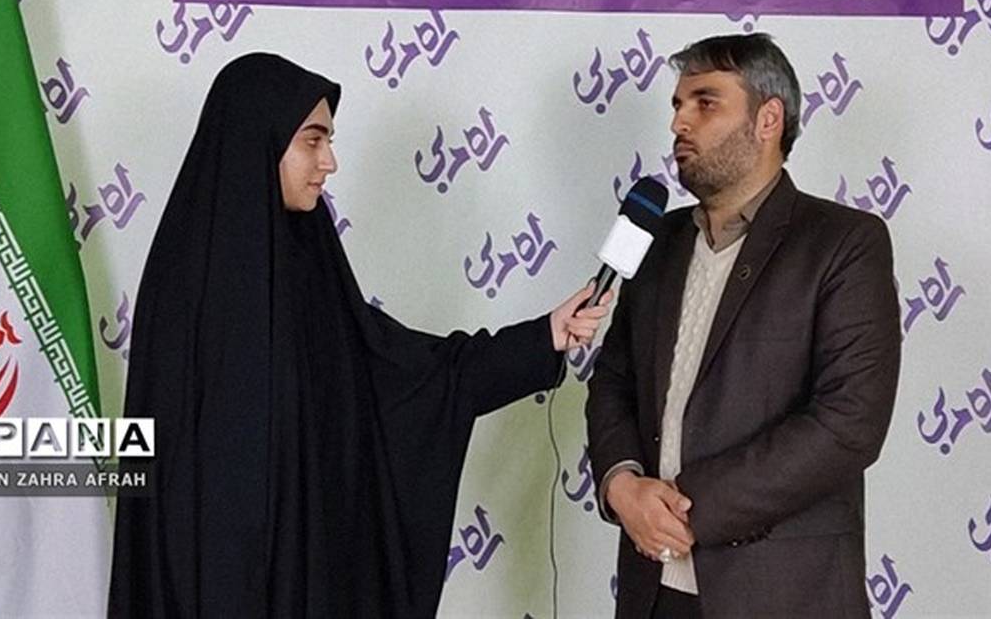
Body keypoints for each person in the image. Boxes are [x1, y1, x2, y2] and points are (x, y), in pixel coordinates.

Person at [107, 53, 610, 618]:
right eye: (312, 141)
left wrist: (543, 337)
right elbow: (166, 485)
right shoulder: (183, 285)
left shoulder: (310, 262)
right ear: (260, 139)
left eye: (329, 141)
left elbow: (404, 376)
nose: (329, 162)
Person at [586, 33, 901, 618]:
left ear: (768, 119)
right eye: (677, 105)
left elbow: (850, 422)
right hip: (652, 590)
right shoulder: (659, 242)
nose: (679, 122)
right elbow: (613, 381)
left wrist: (687, 508)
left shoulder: (843, 244)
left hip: (782, 594)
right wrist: (622, 486)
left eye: (705, 103)